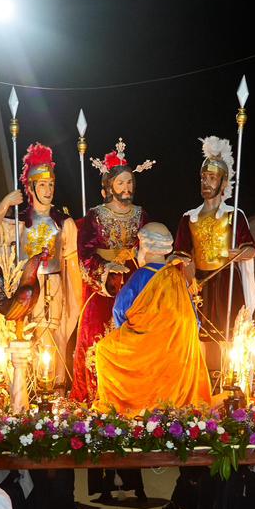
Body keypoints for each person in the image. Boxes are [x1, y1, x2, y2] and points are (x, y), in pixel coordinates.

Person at [0, 143, 83, 388]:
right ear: (31, 187)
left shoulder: (64, 224)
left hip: (53, 288)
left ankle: (52, 390)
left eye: (51, 185)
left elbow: (72, 269)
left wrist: (75, 300)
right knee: (24, 340)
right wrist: (5, 202)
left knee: (51, 341)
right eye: (42, 185)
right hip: (26, 287)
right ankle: (23, 391)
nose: (48, 190)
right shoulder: (18, 223)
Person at [94, 222, 212, 415]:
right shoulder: (176, 277)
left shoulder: (140, 276)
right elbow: (194, 319)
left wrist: (135, 336)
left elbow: (119, 311)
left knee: (103, 350)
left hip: (144, 352)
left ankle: (128, 408)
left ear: (145, 246)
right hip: (178, 354)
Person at [72, 140, 153, 401]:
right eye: (121, 183)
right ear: (109, 187)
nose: (126, 188)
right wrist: (106, 270)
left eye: (130, 182)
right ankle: (97, 398)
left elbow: (150, 247)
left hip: (133, 284)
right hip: (103, 288)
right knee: (98, 341)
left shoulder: (142, 215)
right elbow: (84, 254)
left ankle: (132, 397)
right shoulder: (95, 216)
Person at [172, 135, 255, 341]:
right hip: (200, 282)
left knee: (229, 336)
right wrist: (189, 277)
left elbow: (252, 249)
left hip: (227, 281)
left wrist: (239, 254)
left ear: (223, 182)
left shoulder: (234, 215)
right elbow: (180, 255)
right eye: (203, 178)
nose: (205, 182)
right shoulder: (189, 218)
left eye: (211, 178)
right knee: (198, 336)